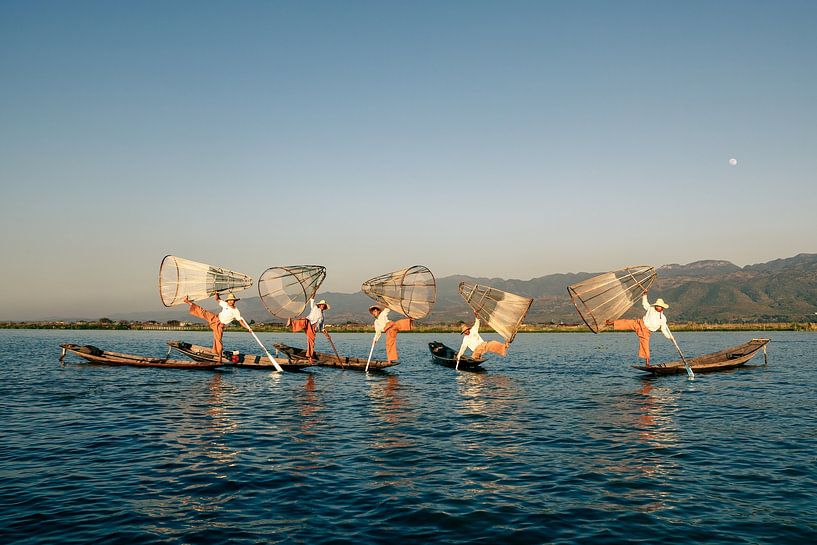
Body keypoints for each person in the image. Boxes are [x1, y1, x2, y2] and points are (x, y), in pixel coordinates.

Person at [606, 292, 672, 367]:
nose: (657, 307)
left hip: (646, 331)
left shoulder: (663, 318)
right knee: (627, 322)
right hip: (640, 323)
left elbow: (664, 329)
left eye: (659, 306)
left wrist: (670, 337)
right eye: (657, 305)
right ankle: (610, 323)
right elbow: (645, 304)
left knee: (645, 345)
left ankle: (647, 363)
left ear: (662, 308)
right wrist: (644, 295)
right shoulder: (651, 308)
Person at [183, 292, 251, 363]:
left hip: (220, 325)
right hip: (215, 318)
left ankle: (220, 358)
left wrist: (248, 329)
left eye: (232, 300)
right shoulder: (225, 304)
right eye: (229, 300)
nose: (230, 301)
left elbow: (241, 321)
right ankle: (187, 301)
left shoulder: (236, 311)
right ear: (227, 301)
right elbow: (217, 299)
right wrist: (216, 294)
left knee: (218, 340)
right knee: (203, 312)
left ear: (234, 301)